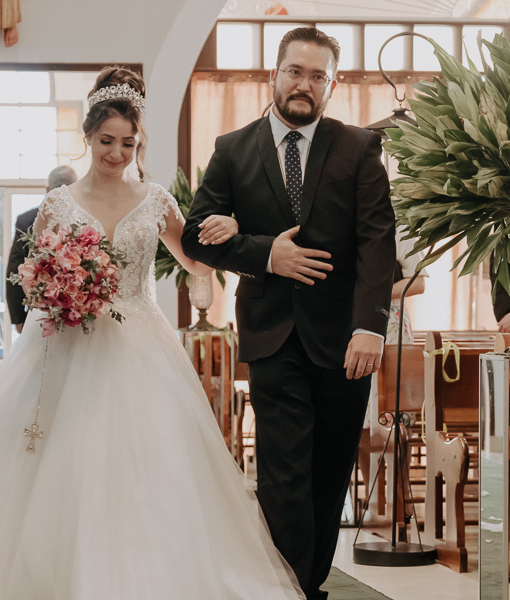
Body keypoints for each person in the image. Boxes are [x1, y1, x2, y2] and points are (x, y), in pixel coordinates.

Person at [0, 67, 304, 600]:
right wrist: (58, 292)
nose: (117, 153)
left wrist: (229, 233)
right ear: (88, 137)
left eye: (129, 142)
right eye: (107, 141)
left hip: (143, 346)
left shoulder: (157, 199)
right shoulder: (58, 204)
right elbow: (42, 275)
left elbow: (195, 259)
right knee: (64, 465)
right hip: (71, 342)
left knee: (147, 470)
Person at [182, 27, 396, 600]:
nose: (304, 84)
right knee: (283, 476)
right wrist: (263, 253)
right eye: (295, 71)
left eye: (317, 76)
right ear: (273, 74)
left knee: (329, 476)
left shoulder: (357, 146)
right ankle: (289, 590)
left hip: (346, 343)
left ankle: (307, 582)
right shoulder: (232, 149)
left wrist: (372, 325)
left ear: (332, 84)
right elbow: (196, 238)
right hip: (272, 337)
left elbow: (378, 242)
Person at [5, 165, 78, 333]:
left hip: (42, 311)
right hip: (73, 310)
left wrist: (18, 318)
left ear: (47, 189)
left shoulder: (26, 220)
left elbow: (16, 269)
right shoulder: (88, 219)